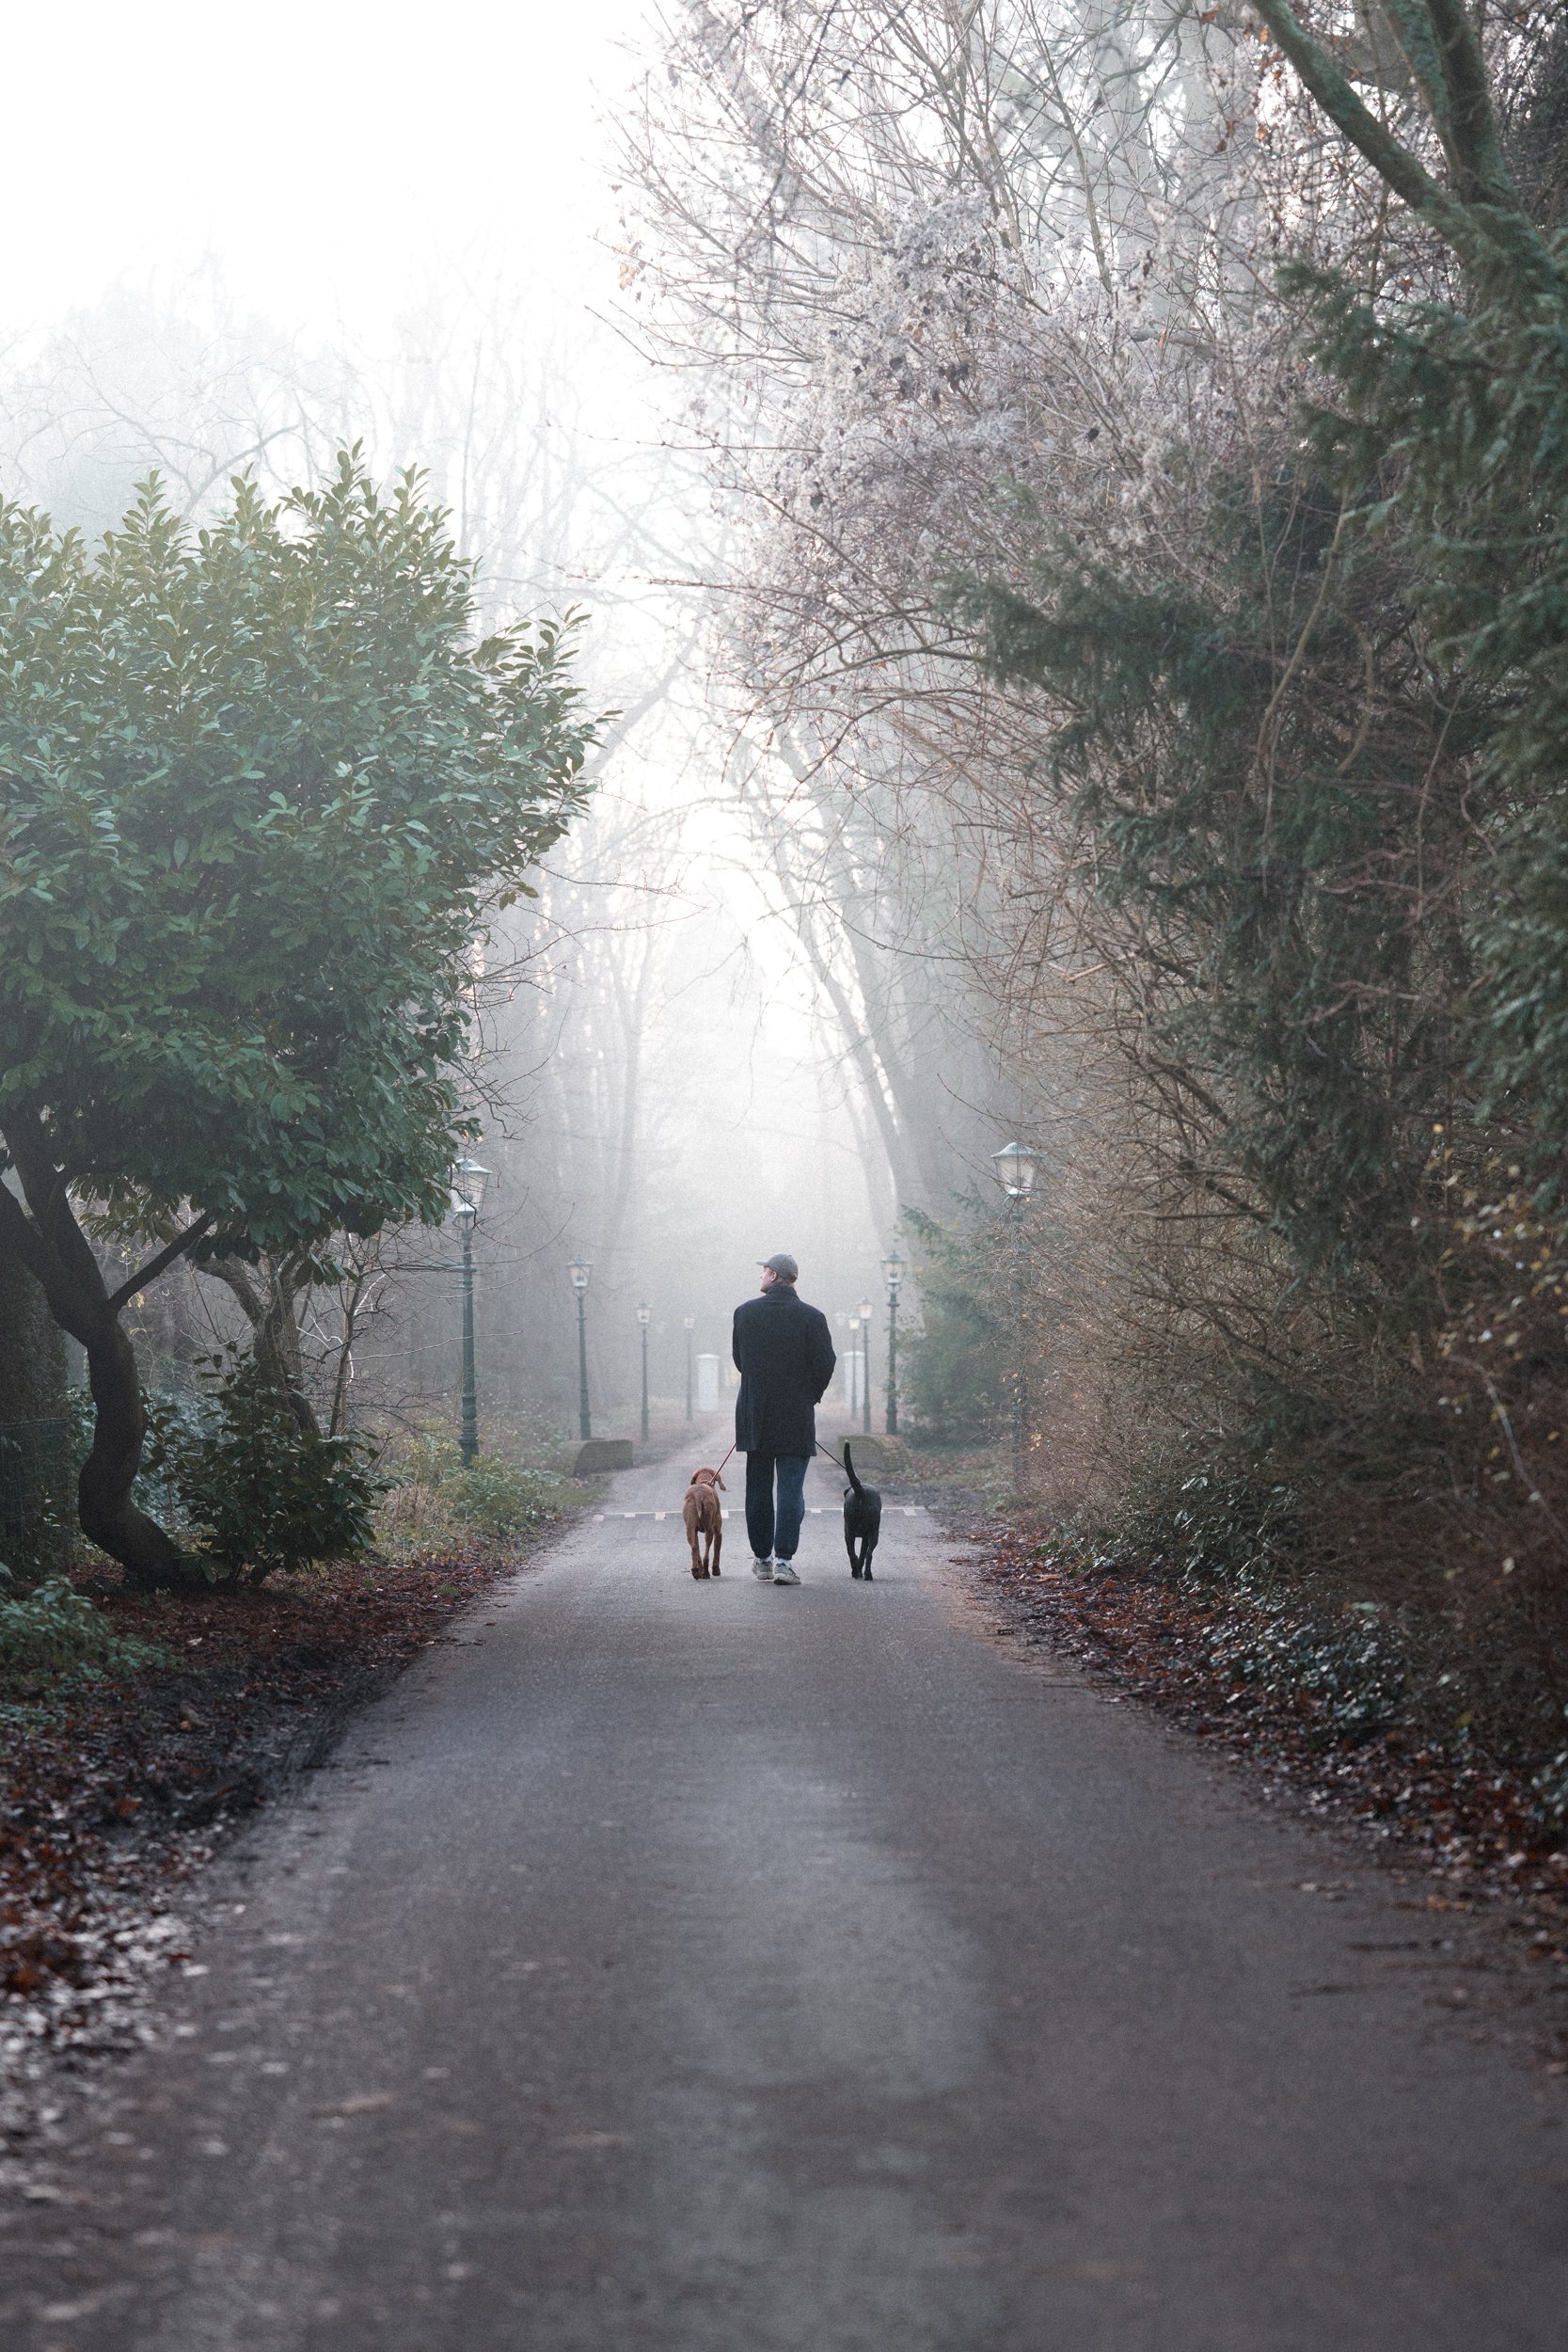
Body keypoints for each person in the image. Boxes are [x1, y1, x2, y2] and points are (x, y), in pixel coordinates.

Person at [732, 1253, 836, 1585]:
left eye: (763, 1271)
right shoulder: (812, 1317)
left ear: (774, 1276)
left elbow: (740, 1360)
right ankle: (784, 1562)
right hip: (796, 1417)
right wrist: (808, 1395)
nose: (760, 1276)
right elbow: (826, 1363)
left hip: (756, 1415)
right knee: (791, 1491)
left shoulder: (744, 1314)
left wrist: (759, 1387)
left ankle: (762, 1559)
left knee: (758, 1490)